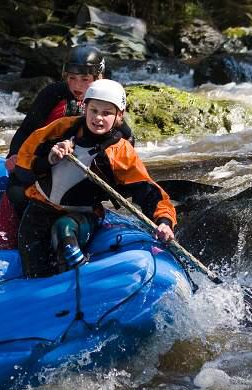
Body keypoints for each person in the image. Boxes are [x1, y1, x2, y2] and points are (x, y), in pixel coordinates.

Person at [12, 79, 176, 278]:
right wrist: (50, 158)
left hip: (82, 215)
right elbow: (23, 165)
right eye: (94, 110)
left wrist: (164, 221)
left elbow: (147, 191)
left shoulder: (120, 152)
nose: (98, 118)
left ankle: (80, 280)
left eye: (106, 113)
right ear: (85, 108)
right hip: (40, 208)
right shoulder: (61, 129)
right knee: (33, 265)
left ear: (119, 116)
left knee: (64, 230)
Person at [0, 45, 135, 249]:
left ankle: (74, 233)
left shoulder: (106, 99)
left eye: (85, 80)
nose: (77, 85)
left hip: (81, 167)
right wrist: (15, 154)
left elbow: (125, 135)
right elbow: (26, 130)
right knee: (16, 192)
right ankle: (7, 243)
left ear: (99, 77)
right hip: (46, 161)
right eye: (72, 78)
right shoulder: (52, 94)